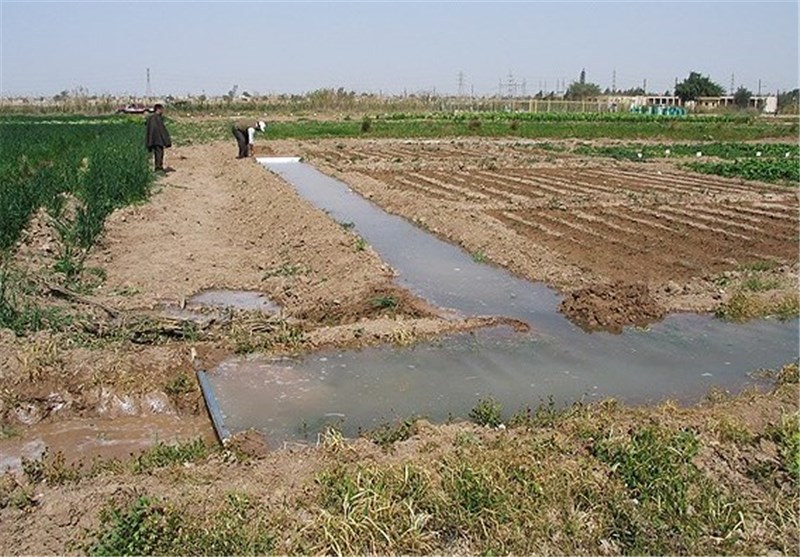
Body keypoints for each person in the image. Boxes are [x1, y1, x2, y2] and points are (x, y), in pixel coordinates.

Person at [145, 103, 172, 173]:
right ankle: (158, 168)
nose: (162, 111)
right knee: (159, 154)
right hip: (158, 140)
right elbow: (160, 130)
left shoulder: (151, 118)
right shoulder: (156, 118)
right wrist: (166, 140)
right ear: (158, 109)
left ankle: (158, 167)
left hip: (154, 139)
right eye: (161, 110)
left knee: (158, 154)